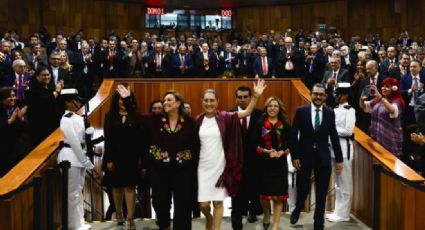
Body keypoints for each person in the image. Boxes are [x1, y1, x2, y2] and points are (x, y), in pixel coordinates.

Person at [117, 85, 200, 230]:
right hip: (159, 170)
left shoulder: (190, 122)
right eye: (164, 100)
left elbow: (195, 146)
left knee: (183, 205)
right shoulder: (155, 120)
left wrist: (192, 165)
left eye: (169, 100)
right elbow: (136, 117)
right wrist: (127, 99)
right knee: (160, 203)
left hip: (183, 171)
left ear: (178, 103)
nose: (165, 102)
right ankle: (164, 226)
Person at [196, 79, 267, 230]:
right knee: (203, 205)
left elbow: (247, 112)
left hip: (220, 166)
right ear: (202, 101)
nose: (209, 103)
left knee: (218, 203)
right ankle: (208, 219)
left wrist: (255, 96)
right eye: (206, 100)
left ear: (217, 101)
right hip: (202, 168)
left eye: (212, 100)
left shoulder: (225, 116)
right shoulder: (198, 120)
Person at [290, 83, 343, 230]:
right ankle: (298, 207)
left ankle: (318, 223)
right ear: (311, 94)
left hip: (323, 157)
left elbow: (334, 136)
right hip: (304, 156)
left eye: (321, 94)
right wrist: (295, 156)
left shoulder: (330, 113)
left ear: (325, 96)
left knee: (322, 192)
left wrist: (339, 159)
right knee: (304, 188)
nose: (318, 97)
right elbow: (293, 135)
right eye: (315, 94)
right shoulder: (301, 111)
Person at [103, 90, 145, 229]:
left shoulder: (136, 116)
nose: (122, 102)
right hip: (115, 157)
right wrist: (108, 159)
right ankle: (119, 213)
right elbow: (107, 139)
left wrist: (141, 160)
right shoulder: (110, 116)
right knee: (117, 187)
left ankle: (130, 218)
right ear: (116, 101)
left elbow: (141, 140)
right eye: (120, 99)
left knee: (130, 187)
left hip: (132, 157)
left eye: (125, 99)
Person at [57, 88, 94, 230]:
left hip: (78, 157)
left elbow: (82, 140)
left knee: (78, 192)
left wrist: (88, 134)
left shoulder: (78, 118)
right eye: (75, 99)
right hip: (71, 158)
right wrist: (85, 160)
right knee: (72, 194)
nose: (78, 102)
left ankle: (79, 221)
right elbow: (73, 141)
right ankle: (73, 225)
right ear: (67, 102)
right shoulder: (65, 119)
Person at [251, 96, 291, 230]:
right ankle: (267, 214)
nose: (272, 108)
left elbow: (290, 144)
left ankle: (275, 225)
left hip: (280, 164)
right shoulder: (259, 123)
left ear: (279, 109)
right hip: (263, 163)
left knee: (279, 196)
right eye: (270, 106)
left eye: (275, 106)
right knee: (264, 195)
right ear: (266, 108)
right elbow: (253, 144)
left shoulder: (285, 124)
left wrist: (282, 152)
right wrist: (266, 151)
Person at [228, 86, 262, 229]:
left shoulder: (260, 114)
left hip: (254, 160)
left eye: (245, 97)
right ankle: (236, 223)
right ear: (236, 98)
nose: (242, 100)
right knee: (236, 194)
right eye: (240, 97)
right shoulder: (229, 114)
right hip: (235, 161)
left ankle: (253, 212)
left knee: (253, 190)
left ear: (249, 97)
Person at [325, 83, 356, 222]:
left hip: (344, 149)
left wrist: (332, 130)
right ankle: (338, 211)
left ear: (346, 95)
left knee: (345, 183)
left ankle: (344, 214)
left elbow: (348, 131)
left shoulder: (350, 110)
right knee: (337, 183)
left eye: (339, 94)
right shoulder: (336, 109)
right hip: (334, 149)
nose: (336, 96)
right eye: (336, 93)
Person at [359, 77, 404, 158]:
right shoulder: (378, 100)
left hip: (391, 139)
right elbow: (363, 107)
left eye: (387, 86)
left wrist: (380, 97)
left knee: (389, 166)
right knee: (377, 163)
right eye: (383, 86)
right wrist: (362, 97)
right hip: (377, 136)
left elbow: (392, 111)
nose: (384, 88)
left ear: (394, 88)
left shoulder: (397, 101)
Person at [26, 66, 63, 147]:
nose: (46, 77)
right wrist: (57, 90)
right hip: (41, 125)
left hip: (53, 121)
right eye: (43, 75)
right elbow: (46, 101)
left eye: (48, 74)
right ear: (37, 76)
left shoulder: (49, 86)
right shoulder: (34, 89)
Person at [0, 87, 29, 177]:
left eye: (13, 96)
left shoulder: (14, 109)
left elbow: (25, 129)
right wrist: (11, 120)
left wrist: (21, 119)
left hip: (16, 148)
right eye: (9, 96)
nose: (13, 98)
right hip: (4, 152)